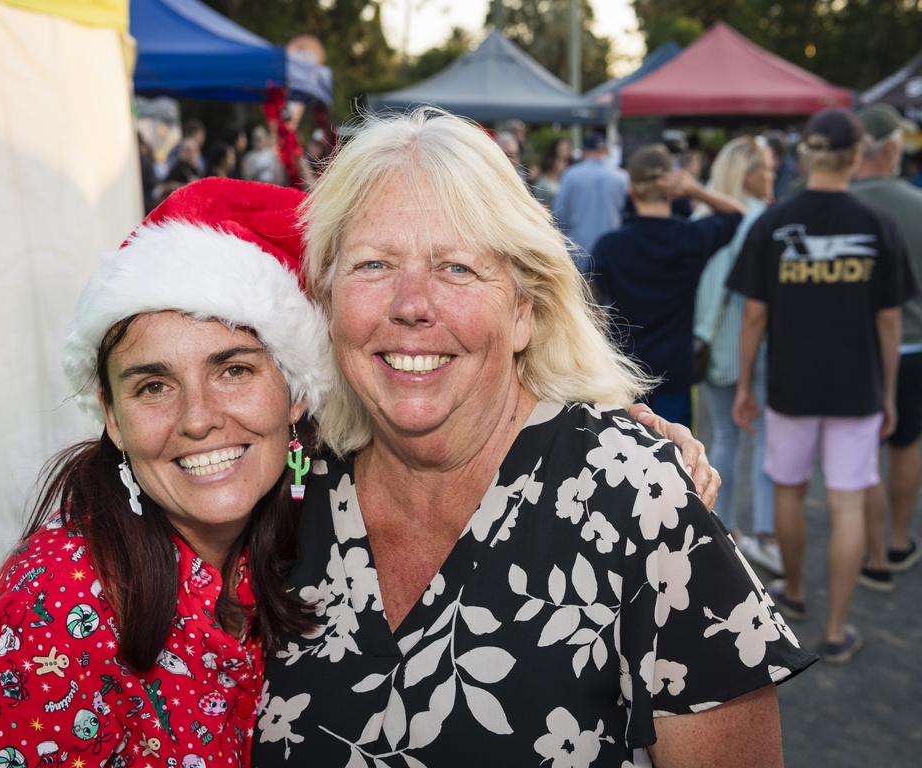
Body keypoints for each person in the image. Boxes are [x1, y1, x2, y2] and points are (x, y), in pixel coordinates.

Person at [254, 109, 812, 768]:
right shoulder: (289, 485)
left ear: (524, 310)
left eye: (457, 268)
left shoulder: (637, 503)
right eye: (373, 264)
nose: (411, 303)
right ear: (325, 298)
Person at [0, 179, 333, 766]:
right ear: (112, 419)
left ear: (295, 394)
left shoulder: (295, 548)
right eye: (153, 386)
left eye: (233, 371)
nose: (197, 420)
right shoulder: (60, 598)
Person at [728, 107, 917, 664]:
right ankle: (836, 631)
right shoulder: (877, 225)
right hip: (856, 388)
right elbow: (888, 321)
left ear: (806, 156)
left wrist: (744, 384)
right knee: (848, 504)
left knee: (787, 489)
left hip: (791, 384)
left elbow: (753, 316)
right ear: (858, 156)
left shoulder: (772, 223)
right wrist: (886, 391)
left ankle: (796, 593)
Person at [592, 144, 746, 427]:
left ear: (632, 190)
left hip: (626, 371)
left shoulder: (609, 246)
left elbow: (590, 306)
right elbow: (737, 214)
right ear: (672, 190)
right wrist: (695, 189)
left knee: (624, 463)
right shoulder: (691, 238)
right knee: (678, 458)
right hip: (675, 369)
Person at [693, 136, 782, 575]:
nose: (773, 173)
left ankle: (720, 529)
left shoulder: (705, 217)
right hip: (753, 344)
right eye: (765, 167)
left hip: (710, 344)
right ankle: (767, 534)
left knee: (725, 439)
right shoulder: (759, 220)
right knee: (765, 439)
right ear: (747, 174)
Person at [850, 104, 922, 590]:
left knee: (862, 453)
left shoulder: (841, 207)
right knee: (907, 444)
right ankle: (897, 541)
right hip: (914, 344)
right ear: (890, 148)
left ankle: (874, 556)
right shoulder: (916, 205)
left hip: (853, 348)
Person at [553, 132, 628, 273]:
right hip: (612, 251)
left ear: (585, 151)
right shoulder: (621, 177)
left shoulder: (571, 175)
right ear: (604, 151)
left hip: (580, 250)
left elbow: (559, 214)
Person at [530, 137, 572, 208]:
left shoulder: (572, 168)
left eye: (566, 148)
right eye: (561, 148)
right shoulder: (543, 164)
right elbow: (531, 179)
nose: (564, 151)